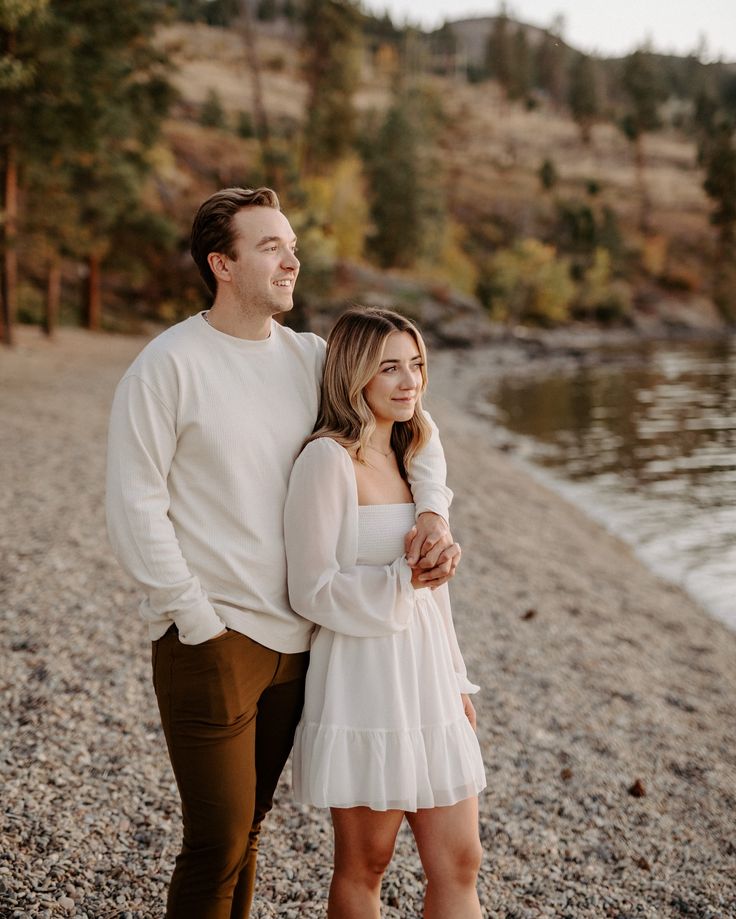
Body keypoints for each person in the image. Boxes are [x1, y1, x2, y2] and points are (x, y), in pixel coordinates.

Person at [105, 187, 461, 919]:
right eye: (272, 246)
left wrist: (431, 508)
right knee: (216, 840)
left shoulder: (311, 358)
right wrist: (194, 617)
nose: (292, 259)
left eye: (292, 244)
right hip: (212, 638)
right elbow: (133, 506)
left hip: (301, 642)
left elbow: (413, 424)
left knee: (250, 834)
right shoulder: (167, 365)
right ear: (222, 263)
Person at [284, 307, 486, 919]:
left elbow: (436, 593)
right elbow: (311, 589)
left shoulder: (410, 447)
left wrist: (454, 679)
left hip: (426, 672)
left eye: (417, 365)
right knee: (366, 865)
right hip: (365, 679)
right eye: (390, 368)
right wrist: (404, 577)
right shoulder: (326, 460)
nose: (410, 382)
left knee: (459, 861)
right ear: (353, 376)